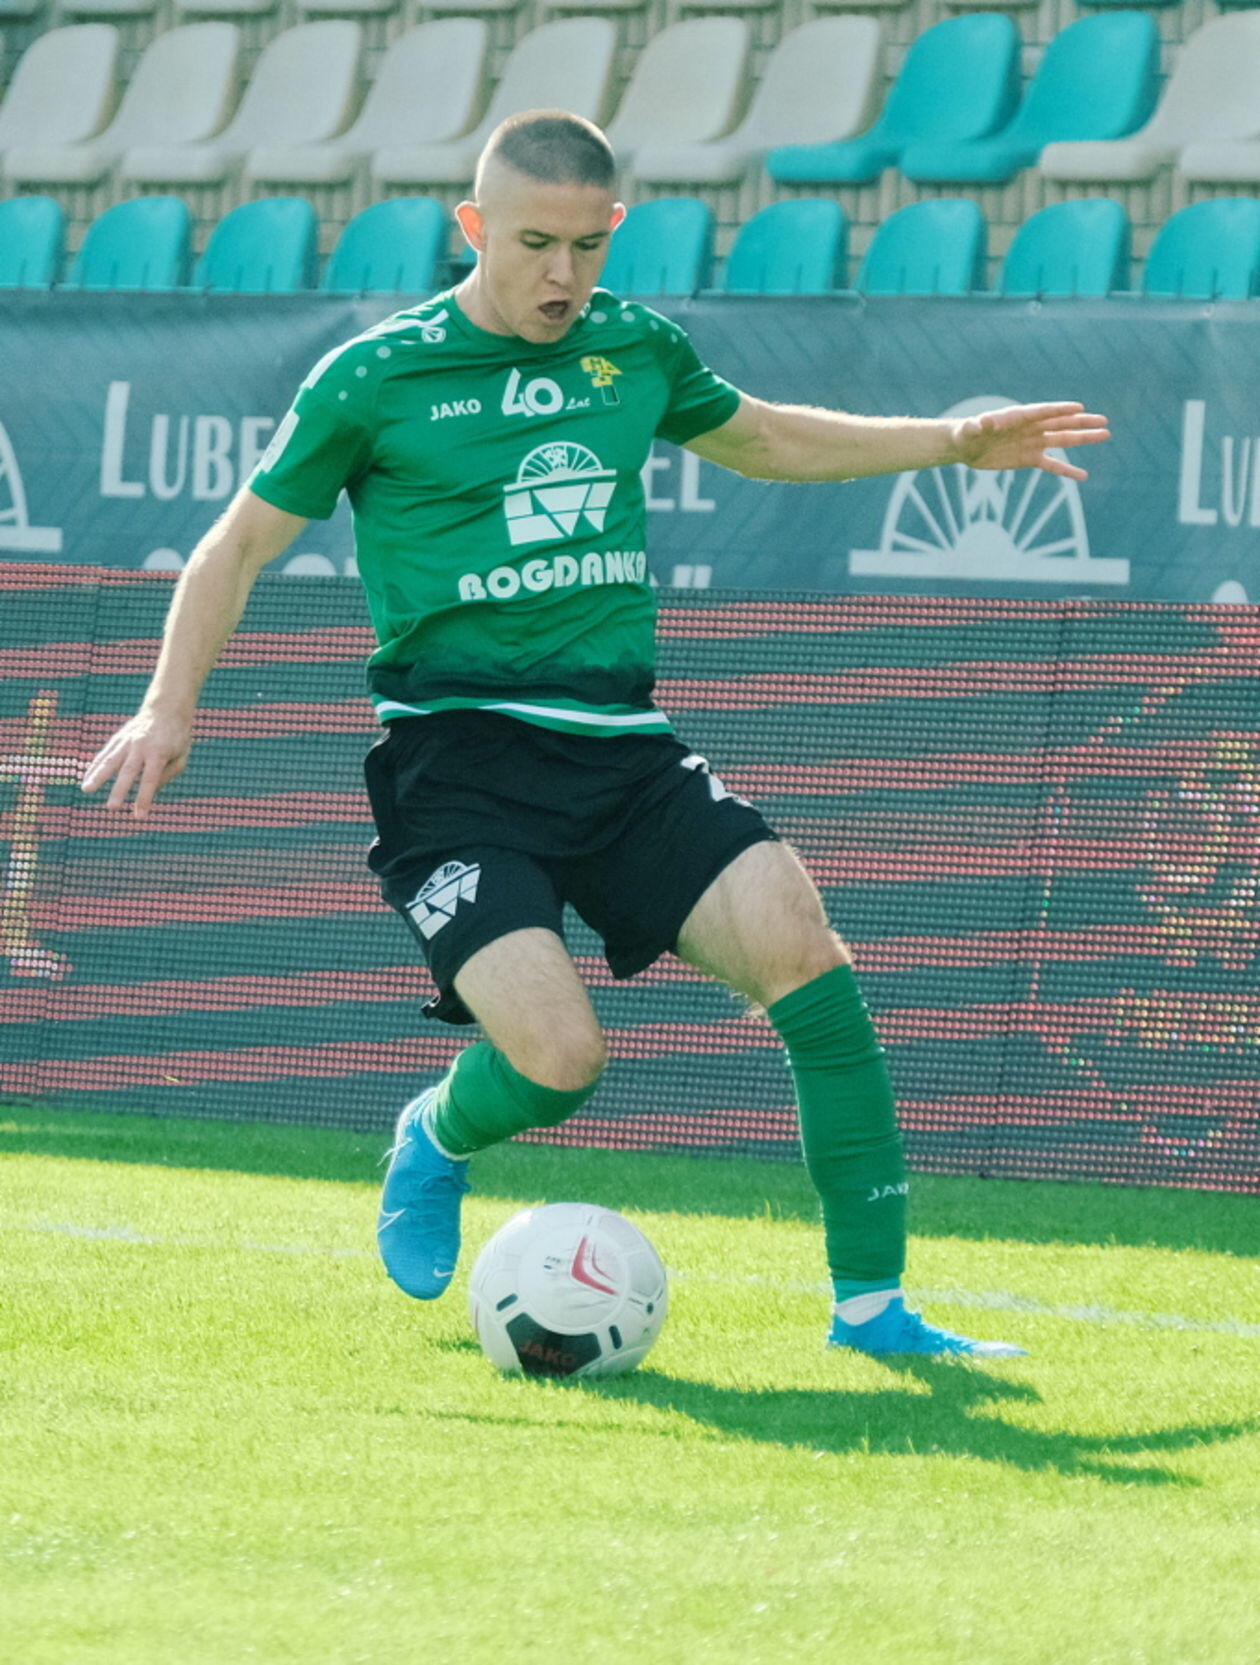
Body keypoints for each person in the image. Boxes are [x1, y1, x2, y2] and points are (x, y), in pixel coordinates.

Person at [82, 109, 1110, 1358]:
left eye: (587, 245)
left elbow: (766, 436)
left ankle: (873, 1311)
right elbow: (236, 544)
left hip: (624, 754)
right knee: (562, 1064)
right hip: (459, 765)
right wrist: (167, 703)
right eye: (533, 245)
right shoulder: (373, 376)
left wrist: (951, 442)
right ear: (474, 227)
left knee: (811, 965)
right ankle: (436, 1134)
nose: (562, 275)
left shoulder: (635, 347)